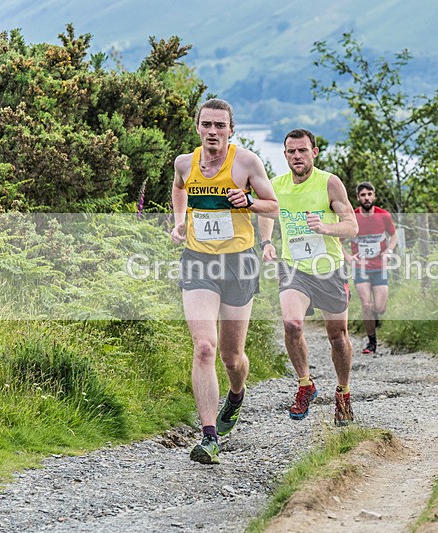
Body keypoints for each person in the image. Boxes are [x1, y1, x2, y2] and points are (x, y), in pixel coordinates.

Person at [170, 98, 279, 464]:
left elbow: (273, 205)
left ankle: (236, 393)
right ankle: (209, 436)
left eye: (220, 125)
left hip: (239, 263)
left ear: (231, 130)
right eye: (207, 124)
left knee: (232, 357)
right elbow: (179, 188)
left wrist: (247, 201)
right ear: (197, 127)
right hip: (198, 261)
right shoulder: (184, 163)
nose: (213, 131)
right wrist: (180, 221)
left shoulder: (246, 162)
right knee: (204, 347)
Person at [258, 129, 358, 426]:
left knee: (337, 337)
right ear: (285, 155)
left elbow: (351, 226)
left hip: (330, 268)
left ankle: (343, 392)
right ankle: (305, 384)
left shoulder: (329, 183)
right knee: (292, 324)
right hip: (294, 268)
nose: (297, 156)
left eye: (302, 150)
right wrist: (266, 242)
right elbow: (266, 213)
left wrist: (326, 228)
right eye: (291, 151)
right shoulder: (276, 185)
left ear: (314, 152)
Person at [342, 182, 397, 354]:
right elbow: (338, 241)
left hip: (380, 267)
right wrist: (348, 257)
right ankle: (371, 343)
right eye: (363, 195)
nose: (366, 198)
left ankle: (376, 315)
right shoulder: (353, 218)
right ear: (358, 198)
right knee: (366, 305)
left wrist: (389, 250)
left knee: (380, 308)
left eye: (369, 194)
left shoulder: (384, 216)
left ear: (374, 196)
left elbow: (394, 235)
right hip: (361, 268)